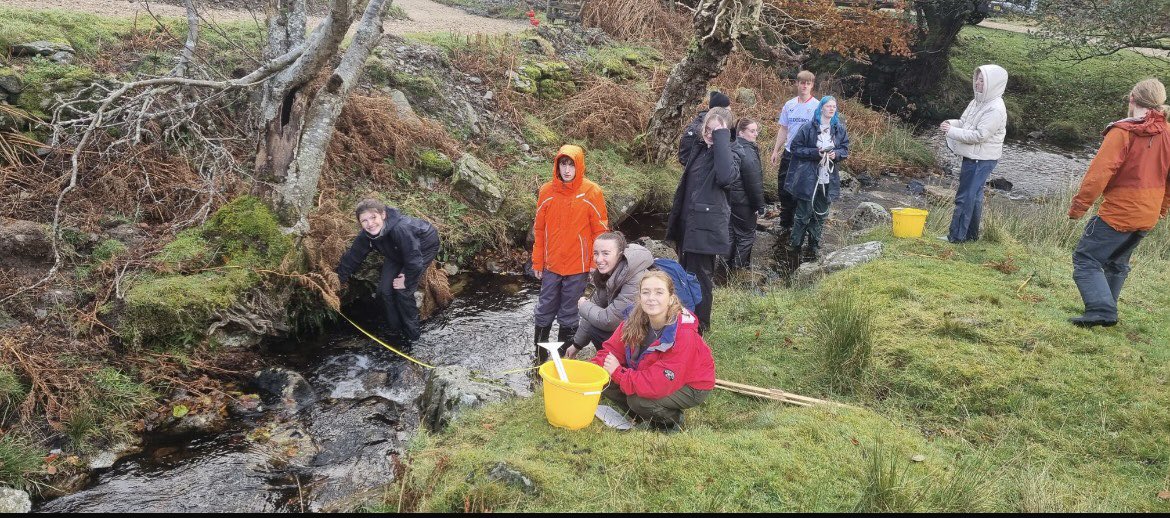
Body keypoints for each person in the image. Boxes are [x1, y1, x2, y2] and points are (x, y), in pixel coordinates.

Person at [1067, 78, 1170, 328]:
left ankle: (1101, 310)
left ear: (1132, 99)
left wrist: (1079, 206)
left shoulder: (1123, 132)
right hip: (1148, 214)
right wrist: (1162, 209)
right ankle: (1107, 309)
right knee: (1117, 263)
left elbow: (1099, 173)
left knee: (1086, 258)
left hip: (1119, 213)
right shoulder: (1167, 132)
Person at [592, 271, 715, 433]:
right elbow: (611, 351)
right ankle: (642, 417)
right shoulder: (633, 320)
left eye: (659, 292)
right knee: (603, 378)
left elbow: (658, 384)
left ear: (671, 298)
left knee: (639, 401)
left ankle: (670, 422)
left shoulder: (683, 334)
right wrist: (589, 372)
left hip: (691, 384)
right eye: (646, 292)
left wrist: (618, 373)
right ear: (640, 297)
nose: (651, 298)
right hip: (651, 375)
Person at [666, 106, 739, 334]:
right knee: (684, 274)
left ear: (725, 132)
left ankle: (701, 326)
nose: (709, 134)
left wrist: (721, 136)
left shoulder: (731, 154)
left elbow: (726, 177)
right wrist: (701, 121)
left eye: (715, 131)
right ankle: (685, 319)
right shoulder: (699, 148)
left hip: (706, 228)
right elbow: (683, 152)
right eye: (707, 129)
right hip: (687, 224)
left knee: (700, 278)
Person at [532, 144, 609, 361]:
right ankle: (539, 360)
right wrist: (537, 261)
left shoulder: (592, 192)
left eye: (571, 165)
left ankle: (563, 362)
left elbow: (600, 231)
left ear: (579, 166)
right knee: (544, 310)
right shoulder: (546, 191)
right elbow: (539, 229)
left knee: (569, 314)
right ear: (557, 166)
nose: (567, 170)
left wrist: (596, 262)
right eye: (563, 164)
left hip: (578, 266)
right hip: (551, 265)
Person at [336, 199, 440, 345]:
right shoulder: (366, 235)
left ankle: (413, 336)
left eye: (373, 217)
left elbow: (414, 260)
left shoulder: (400, 229)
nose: (370, 223)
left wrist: (406, 278)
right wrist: (337, 281)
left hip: (423, 247)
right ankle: (395, 331)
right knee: (383, 292)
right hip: (395, 252)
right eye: (364, 220)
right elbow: (352, 257)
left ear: (383, 215)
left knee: (402, 291)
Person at [940, 64, 1009, 243]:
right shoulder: (977, 101)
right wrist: (950, 124)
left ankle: (956, 237)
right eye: (977, 79)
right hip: (975, 157)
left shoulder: (995, 108)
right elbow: (964, 123)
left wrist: (951, 131)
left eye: (982, 80)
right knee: (975, 197)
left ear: (993, 84)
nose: (978, 83)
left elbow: (979, 136)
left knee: (964, 197)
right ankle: (970, 236)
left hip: (981, 159)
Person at [563, 232, 654, 359]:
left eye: (606, 253)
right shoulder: (606, 274)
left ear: (620, 254)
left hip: (647, 339)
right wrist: (576, 345)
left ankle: (619, 364)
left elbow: (610, 321)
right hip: (631, 328)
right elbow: (594, 308)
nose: (599, 259)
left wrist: (583, 305)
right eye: (596, 253)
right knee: (593, 320)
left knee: (597, 329)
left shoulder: (636, 279)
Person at [785, 96, 850, 263]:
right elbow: (795, 148)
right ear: (821, 108)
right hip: (808, 178)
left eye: (834, 106)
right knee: (803, 214)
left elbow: (845, 149)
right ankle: (795, 246)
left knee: (821, 214)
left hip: (827, 179)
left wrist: (837, 154)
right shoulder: (808, 127)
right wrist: (816, 153)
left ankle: (813, 246)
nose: (831, 109)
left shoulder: (839, 129)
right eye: (828, 106)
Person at [769, 71, 819, 240]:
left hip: (806, 156)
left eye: (808, 83)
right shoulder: (789, 104)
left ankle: (799, 227)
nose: (804, 86)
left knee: (801, 191)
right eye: (802, 83)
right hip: (789, 153)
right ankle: (784, 224)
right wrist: (776, 150)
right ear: (797, 84)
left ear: (812, 86)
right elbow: (784, 128)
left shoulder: (817, 107)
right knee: (784, 188)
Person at [728, 117, 766, 270]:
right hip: (743, 202)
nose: (756, 134)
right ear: (741, 133)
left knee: (731, 234)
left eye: (756, 131)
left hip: (730, 199)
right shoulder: (747, 152)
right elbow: (753, 183)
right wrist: (759, 206)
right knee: (746, 236)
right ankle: (738, 269)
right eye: (752, 131)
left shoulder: (731, 146)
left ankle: (724, 268)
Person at [678, 91, 732, 166]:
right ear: (718, 110)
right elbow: (685, 157)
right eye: (726, 110)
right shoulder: (699, 128)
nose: (730, 110)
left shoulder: (709, 123)